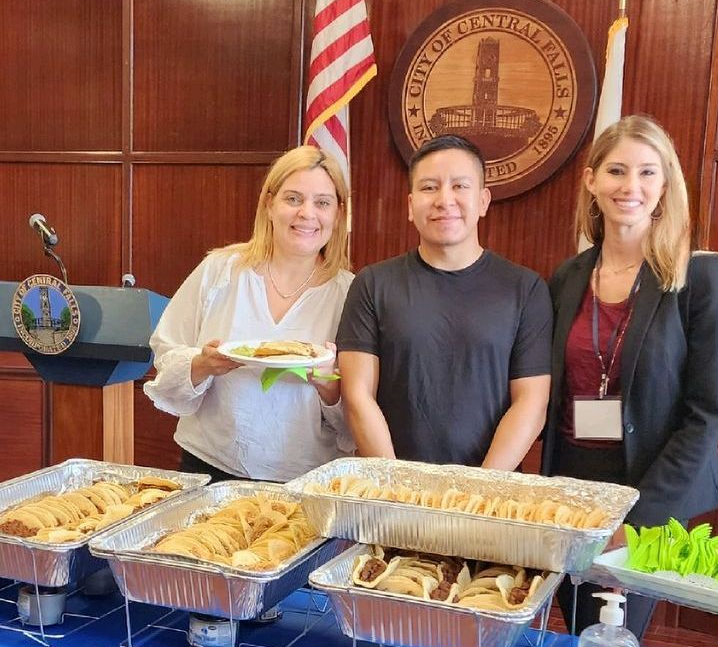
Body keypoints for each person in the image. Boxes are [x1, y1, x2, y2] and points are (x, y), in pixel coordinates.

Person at [541, 115, 718, 638]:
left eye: (648, 173)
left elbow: (706, 414)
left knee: (615, 639)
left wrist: (638, 520)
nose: (631, 187)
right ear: (591, 181)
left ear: (665, 186)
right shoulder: (568, 277)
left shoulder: (701, 275)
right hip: (570, 484)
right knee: (579, 627)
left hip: (651, 486)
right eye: (617, 171)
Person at [337, 134, 552, 470]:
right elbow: (357, 396)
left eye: (460, 186)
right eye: (429, 187)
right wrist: (395, 486)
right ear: (410, 206)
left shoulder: (525, 289)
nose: (444, 199)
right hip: (393, 492)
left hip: (490, 495)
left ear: (483, 201)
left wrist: (478, 491)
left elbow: (531, 403)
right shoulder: (373, 284)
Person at [144, 145, 354, 482]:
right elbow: (165, 355)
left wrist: (329, 386)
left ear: (338, 214)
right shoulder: (220, 270)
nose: (307, 214)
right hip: (207, 467)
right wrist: (201, 364)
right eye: (294, 199)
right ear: (269, 204)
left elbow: (357, 420)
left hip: (302, 479)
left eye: (322, 202)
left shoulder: (351, 295)